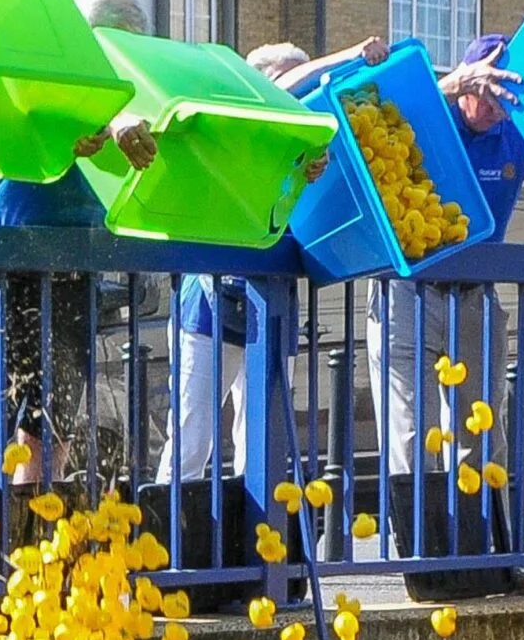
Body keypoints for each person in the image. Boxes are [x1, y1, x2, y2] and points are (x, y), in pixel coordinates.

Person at [0, 0, 157, 573]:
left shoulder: (128, 89)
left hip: (71, 266)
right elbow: (41, 121)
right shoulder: (48, 68)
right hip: (1, 260)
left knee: (48, 436)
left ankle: (32, 571)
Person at [372, 32, 524, 603]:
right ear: (467, 81)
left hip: (474, 296)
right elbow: (373, 108)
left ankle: (493, 565)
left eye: (506, 87)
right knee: (411, 431)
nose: (497, 98)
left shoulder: (512, 135)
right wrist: (451, 86)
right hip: (407, 291)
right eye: (488, 84)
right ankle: (426, 571)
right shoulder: (429, 117)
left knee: (481, 431)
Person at [157, 37, 376, 484]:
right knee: (191, 437)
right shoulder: (239, 122)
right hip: (209, 305)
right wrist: (347, 54)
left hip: (273, 303)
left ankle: (253, 542)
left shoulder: (305, 151)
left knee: (260, 439)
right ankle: (167, 541)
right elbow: (283, 90)